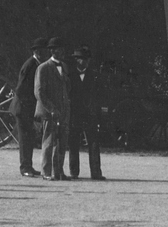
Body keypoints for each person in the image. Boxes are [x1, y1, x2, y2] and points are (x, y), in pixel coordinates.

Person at [10, 37, 49, 178]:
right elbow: (21, 90)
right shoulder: (30, 65)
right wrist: (28, 109)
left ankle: (29, 166)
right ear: (37, 51)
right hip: (22, 108)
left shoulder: (38, 64)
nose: (44, 53)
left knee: (29, 138)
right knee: (24, 139)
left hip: (28, 108)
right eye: (42, 51)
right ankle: (24, 167)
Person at [34, 37, 71, 181]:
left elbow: (66, 87)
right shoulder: (43, 68)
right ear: (52, 51)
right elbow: (39, 92)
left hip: (63, 111)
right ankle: (46, 171)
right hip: (49, 112)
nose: (61, 52)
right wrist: (52, 108)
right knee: (49, 142)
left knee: (62, 143)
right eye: (57, 49)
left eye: (62, 49)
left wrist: (65, 105)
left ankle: (58, 171)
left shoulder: (65, 67)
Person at [67, 46, 105, 180]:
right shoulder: (69, 75)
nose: (84, 62)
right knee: (73, 142)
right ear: (76, 60)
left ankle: (96, 172)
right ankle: (74, 172)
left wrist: (98, 115)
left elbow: (99, 96)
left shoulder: (94, 75)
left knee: (94, 143)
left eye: (86, 59)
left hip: (90, 114)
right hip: (75, 113)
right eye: (82, 59)